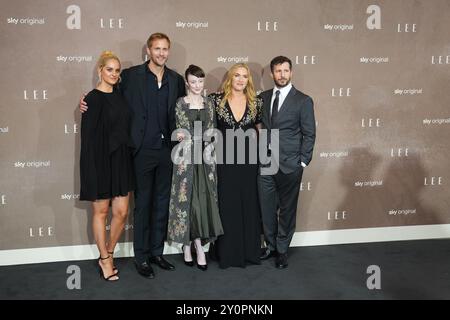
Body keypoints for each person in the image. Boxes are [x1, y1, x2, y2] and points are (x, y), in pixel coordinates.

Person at [80, 33, 186, 279]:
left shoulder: (176, 80)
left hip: (166, 152)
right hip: (139, 151)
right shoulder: (129, 76)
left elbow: (184, 109)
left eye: (165, 49)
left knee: (162, 204)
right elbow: (105, 95)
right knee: (142, 205)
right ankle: (141, 258)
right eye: (156, 48)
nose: (161, 53)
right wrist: (85, 101)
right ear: (148, 51)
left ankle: (156, 253)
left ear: (168, 51)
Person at [79, 51, 135, 281]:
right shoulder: (91, 99)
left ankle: (109, 251)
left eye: (117, 70)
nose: (113, 73)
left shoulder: (121, 95)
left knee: (122, 212)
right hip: (99, 161)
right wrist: (92, 169)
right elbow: (88, 139)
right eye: (109, 69)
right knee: (101, 212)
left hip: (121, 159)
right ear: (100, 70)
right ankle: (104, 259)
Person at [258, 56, 316, 269]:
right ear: (271, 74)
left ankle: (282, 250)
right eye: (278, 71)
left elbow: (310, 134)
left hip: (290, 164)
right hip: (266, 163)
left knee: (287, 209)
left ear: (291, 73)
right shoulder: (262, 98)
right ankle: (271, 246)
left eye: (285, 71)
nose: (282, 75)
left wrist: (302, 162)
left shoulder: (303, 100)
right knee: (266, 209)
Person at [167, 65, 223, 271]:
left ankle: (196, 245)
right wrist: (193, 136)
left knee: (202, 203)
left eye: (200, 81)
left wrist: (196, 136)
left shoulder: (209, 103)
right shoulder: (181, 103)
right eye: (193, 82)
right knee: (187, 202)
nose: (197, 85)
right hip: (186, 160)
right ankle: (190, 245)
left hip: (206, 160)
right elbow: (183, 131)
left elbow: (211, 130)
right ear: (187, 83)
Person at [208, 63, 263, 268]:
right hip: (224, 160)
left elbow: (260, 130)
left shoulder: (256, 102)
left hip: (249, 160)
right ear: (230, 78)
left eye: (245, 76)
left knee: (249, 203)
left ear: (249, 80)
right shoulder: (215, 100)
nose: (241, 79)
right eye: (237, 75)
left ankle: (249, 252)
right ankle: (227, 253)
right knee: (227, 204)